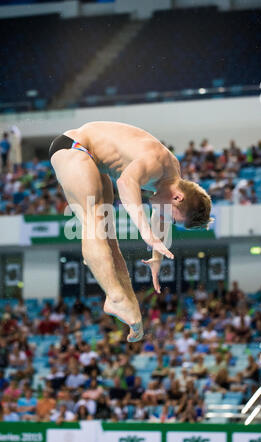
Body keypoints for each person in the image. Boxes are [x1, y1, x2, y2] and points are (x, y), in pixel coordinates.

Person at [49, 122, 212, 342]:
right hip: (73, 147)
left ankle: (131, 309)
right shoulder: (156, 162)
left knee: (109, 239)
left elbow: (159, 217)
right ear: (178, 197)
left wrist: (156, 258)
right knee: (94, 220)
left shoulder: (170, 178)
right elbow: (126, 183)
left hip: (91, 159)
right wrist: (146, 232)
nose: (165, 219)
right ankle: (115, 297)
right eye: (173, 217)